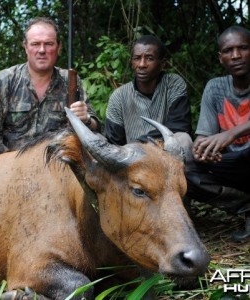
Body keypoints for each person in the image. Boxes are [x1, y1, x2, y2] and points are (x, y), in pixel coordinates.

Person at [0, 17, 101, 154]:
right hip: (10, 168)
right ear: (25, 47)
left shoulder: (71, 81)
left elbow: (96, 129)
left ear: (59, 47)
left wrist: (87, 119)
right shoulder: (2, 82)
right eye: (35, 44)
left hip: (58, 166)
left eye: (49, 44)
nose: (42, 50)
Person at [185, 25, 250, 242]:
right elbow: (204, 136)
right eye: (228, 51)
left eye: (243, 48)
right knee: (185, 170)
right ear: (220, 57)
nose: (236, 55)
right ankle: (245, 206)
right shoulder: (215, 88)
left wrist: (231, 134)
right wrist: (203, 149)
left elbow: (225, 136)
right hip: (232, 163)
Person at [104, 34, 193, 161]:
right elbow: (114, 141)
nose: (142, 64)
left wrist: (138, 145)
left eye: (149, 58)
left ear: (162, 63)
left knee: (184, 139)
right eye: (137, 58)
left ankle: (186, 181)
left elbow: (179, 126)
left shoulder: (173, 83)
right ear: (132, 63)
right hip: (133, 161)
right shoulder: (119, 96)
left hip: (168, 156)